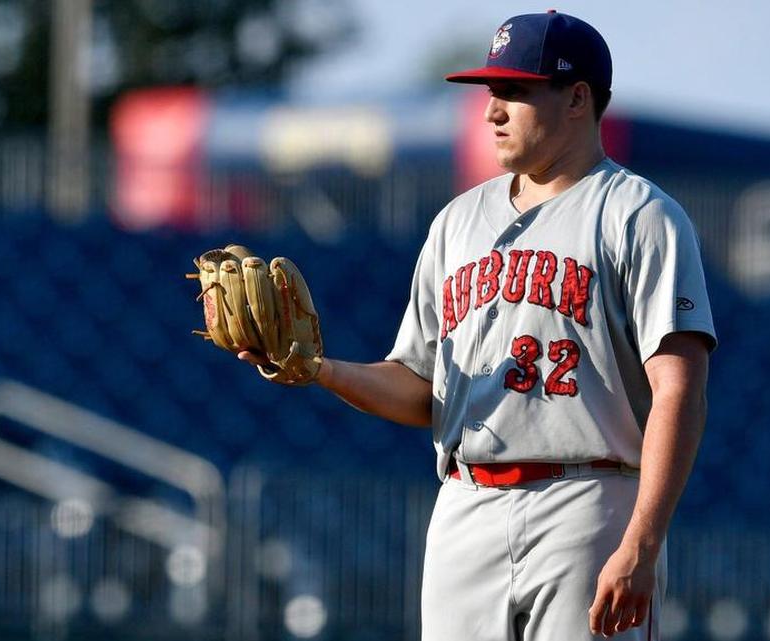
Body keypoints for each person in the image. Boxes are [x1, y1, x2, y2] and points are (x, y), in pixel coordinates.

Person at [242, 10, 716, 641]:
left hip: (587, 500)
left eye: (515, 91)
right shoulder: (456, 223)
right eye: (491, 92)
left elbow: (679, 390)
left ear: (578, 98)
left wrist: (642, 542)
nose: (493, 109)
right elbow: (419, 387)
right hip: (466, 502)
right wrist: (319, 370)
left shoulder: (640, 215)